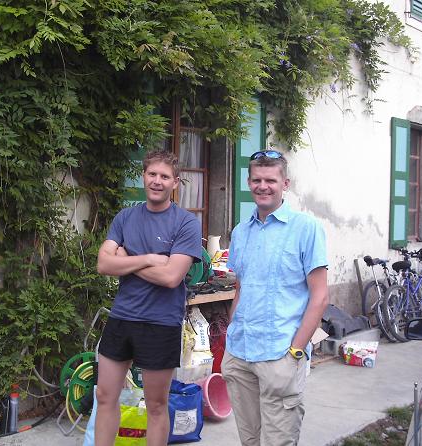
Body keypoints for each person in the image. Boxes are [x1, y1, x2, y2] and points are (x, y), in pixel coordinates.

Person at [221, 150, 328, 446]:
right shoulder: (241, 232)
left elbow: (319, 296)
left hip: (280, 353)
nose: (263, 186)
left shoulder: (306, 229)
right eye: (257, 179)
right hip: (240, 354)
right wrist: (232, 335)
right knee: (250, 441)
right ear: (249, 182)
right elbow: (241, 288)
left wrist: (296, 352)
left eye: (270, 179)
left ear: (285, 184)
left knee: (278, 442)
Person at [95, 149, 202, 446]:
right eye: (152, 174)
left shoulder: (186, 223)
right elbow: (103, 264)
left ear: (175, 182)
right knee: (105, 396)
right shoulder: (126, 217)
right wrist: (149, 259)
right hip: (121, 318)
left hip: (160, 323)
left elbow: (171, 278)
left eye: (164, 176)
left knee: (156, 406)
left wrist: (127, 259)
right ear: (143, 176)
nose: (157, 181)